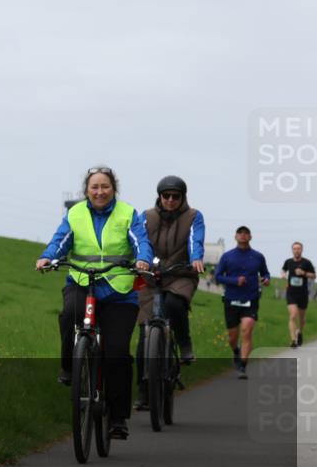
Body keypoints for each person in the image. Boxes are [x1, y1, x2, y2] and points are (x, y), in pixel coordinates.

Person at [36, 167, 153, 440]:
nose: (100, 192)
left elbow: (141, 241)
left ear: (114, 189)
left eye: (105, 187)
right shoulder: (75, 213)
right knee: (69, 315)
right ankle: (69, 366)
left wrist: (142, 259)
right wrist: (47, 257)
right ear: (86, 191)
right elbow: (60, 240)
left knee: (117, 353)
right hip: (81, 280)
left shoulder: (127, 213)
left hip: (119, 289)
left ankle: (118, 418)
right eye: (94, 187)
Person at [133, 176, 206, 411]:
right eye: (167, 196)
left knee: (174, 304)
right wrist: (138, 261)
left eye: (176, 196)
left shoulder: (194, 216)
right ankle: (144, 391)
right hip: (150, 276)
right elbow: (139, 241)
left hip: (180, 274)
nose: (171, 200)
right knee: (145, 332)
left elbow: (196, 240)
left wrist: (195, 259)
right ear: (160, 196)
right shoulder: (147, 216)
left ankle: (184, 344)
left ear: (183, 197)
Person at [214, 226, 271, 379]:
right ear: (235, 236)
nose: (243, 236)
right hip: (231, 298)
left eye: (246, 233)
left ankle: (243, 366)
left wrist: (266, 279)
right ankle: (236, 351)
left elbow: (265, 273)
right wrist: (234, 281)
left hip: (251, 299)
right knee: (232, 337)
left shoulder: (258, 256)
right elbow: (217, 277)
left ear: (250, 237)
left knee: (246, 331)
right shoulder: (227, 256)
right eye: (240, 233)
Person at [282, 241, 316, 347]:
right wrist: (283, 275)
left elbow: (314, 276)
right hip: (291, 292)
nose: (296, 250)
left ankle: (299, 332)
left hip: (302, 293)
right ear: (292, 250)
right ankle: (293, 340)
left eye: (298, 248)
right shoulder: (288, 262)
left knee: (302, 318)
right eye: (295, 248)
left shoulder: (307, 262)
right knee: (293, 315)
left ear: (302, 250)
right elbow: (283, 270)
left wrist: (304, 273)